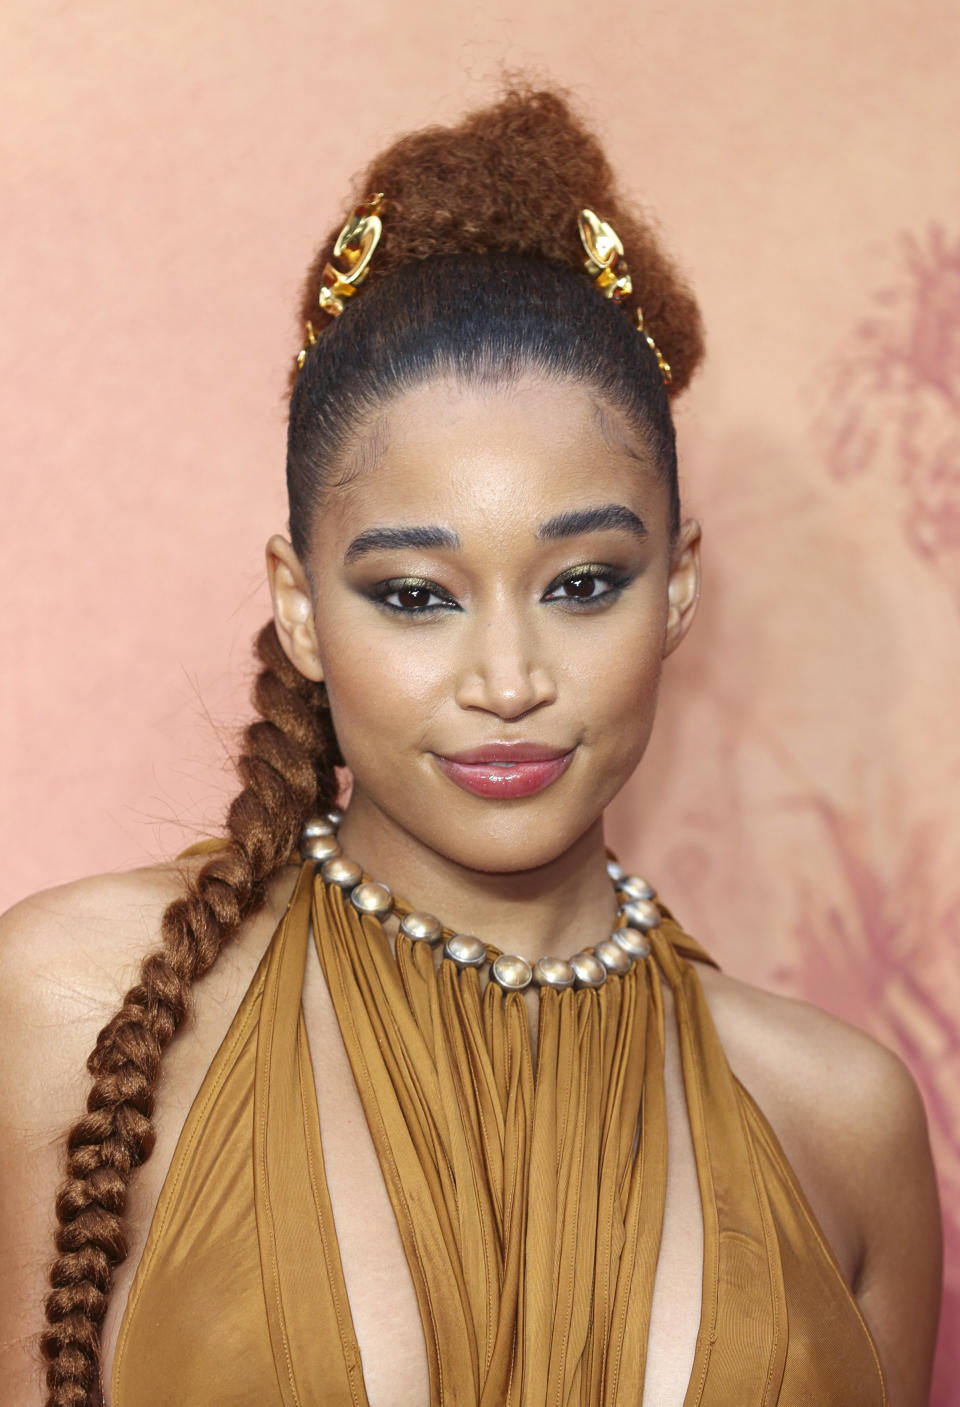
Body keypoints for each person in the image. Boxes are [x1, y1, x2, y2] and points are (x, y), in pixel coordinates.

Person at [0, 85, 942, 1407]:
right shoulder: (72, 1010)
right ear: (300, 608)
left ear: (676, 589)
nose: (508, 681)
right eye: (414, 595)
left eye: (583, 583)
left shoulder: (843, 1121)